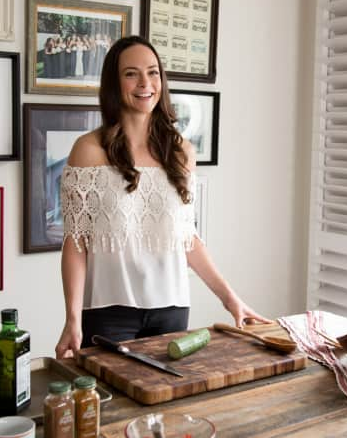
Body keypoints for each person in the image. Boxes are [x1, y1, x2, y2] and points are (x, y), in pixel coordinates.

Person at [55, 36, 269, 359]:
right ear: (114, 83)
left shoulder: (182, 151)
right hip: (108, 312)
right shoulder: (88, 151)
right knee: (114, 408)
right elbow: (76, 243)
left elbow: (187, 239)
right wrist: (72, 318)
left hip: (172, 311)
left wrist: (231, 299)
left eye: (153, 72)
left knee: (166, 405)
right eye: (131, 74)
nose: (145, 83)